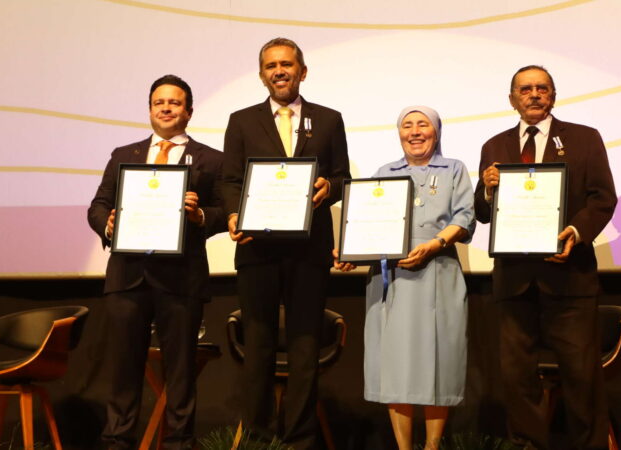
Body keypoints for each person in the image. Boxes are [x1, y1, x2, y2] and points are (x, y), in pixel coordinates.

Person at [474, 65, 617, 450]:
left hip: (569, 277)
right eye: (525, 89)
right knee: (517, 377)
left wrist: (575, 232)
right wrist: (487, 190)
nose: (534, 94)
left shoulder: (585, 139)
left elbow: (602, 199)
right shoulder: (495, 146)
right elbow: (484, 213)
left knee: (581, 378)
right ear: (512, 99)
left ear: (553, 95)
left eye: (542, 88)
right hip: (514, 281)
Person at [220, 37, 350, 449]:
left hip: (310, 250)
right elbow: (230, 181)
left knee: (305, 347)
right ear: (262, 75)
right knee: (257, 347)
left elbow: (344, 177)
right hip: (257, 249)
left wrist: (330, 187)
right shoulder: (241, 121)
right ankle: (257, 439)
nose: (280, 70)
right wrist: (232, 215)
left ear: (302, 71)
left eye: (287, 64)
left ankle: (299, 440)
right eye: (272, 65)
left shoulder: (328, 119)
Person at [87, 74, 226, 449]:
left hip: (181, 279)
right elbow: (98, 206)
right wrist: (109, 224)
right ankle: (117, 441)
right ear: (150, 109)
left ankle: (179, 443)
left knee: (180, 373)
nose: (166, 108)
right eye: (159, 103)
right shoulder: (124, 155)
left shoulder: (212, 160)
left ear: (189, 111)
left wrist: (200, 217)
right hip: (127, 277)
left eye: (174, 103)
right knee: (122, 370)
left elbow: (226, 211)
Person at [336, 106, 475, 450]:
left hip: (439, 272)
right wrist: (354, 253)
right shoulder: (385, 172)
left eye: (422, 124)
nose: (414, 132)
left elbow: (466, 217)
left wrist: (435, 244)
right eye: (407, 125)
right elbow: (370, 223)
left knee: (438, 360)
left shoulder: (454, 169)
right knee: (396, 363)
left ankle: (431, 446)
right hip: (392, 278)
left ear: (436, 131)